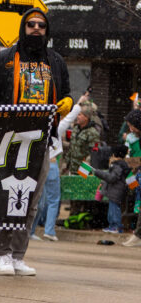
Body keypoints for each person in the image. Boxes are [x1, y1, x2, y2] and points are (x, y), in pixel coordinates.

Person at [0, 8, 72, 276]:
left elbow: (65, 94)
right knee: (9, 196)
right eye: (31, 24)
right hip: (9, 141)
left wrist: (67, 103)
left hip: (41, 141)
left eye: (42, 25)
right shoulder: (3, 59)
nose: (36, 29)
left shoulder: (56, 61)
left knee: (31, 200)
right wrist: (9, 115)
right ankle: (2, 254)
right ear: (23, 28)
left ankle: (18, 255)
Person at [30, 91, 90, 242]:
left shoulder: (37, 127)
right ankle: (49, 230)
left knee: (39, 201)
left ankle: (30, 230)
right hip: (51, 164)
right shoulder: (56, 127)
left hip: (37, 166)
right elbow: (70, 117)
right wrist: (80, 102)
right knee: (53, 200)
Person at [92, 144, 131, 234]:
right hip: (117, 191)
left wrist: (98, 172)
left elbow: (111, 178)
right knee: (113, 209)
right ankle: (113, 226)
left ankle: (115, 226)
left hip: (116, 192)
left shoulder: (117, 166)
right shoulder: (122, 165)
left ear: (114, 155)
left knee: (114, 210)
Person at [63, 104, 102, 175]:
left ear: (86, 117)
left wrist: (84, 170)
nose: (77, 117)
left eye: (79, 115)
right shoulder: (75, 129)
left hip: (83, 171)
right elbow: (71, 148)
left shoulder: (92, 132)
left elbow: (94, 153)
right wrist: (66, 164)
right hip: (71, 169)